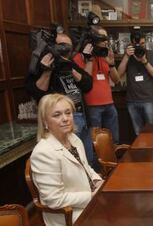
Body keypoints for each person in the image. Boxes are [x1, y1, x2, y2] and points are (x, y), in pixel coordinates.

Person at [25, 32, 97, 168]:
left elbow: (88, 85)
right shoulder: (40, 65)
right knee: (71, 164)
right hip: (60, 120)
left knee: (87, 161)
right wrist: (47, 71)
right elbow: (36, 92)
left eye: (67, 47)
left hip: (82, 116)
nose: (64, 50)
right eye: (60, 46)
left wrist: (71, 69)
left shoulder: (70, 63)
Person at [30, 93, 103, 226]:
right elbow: (54, 199)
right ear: (45, 122)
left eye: (68, 113)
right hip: (69, 214)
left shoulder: (73, 139)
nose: (65, 119)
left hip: (89, 199)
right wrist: (91, 196)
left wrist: (97, 181)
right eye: (57, 115)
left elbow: (86, 168)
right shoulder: (43, 152)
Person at [73, 25, 121, 144]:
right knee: (95, 143)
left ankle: (114, 162)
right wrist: (89, 59)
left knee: (114, 140)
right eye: (101, 39)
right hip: (92, 106)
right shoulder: (80, 57)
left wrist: (111, 64)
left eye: (106, 39)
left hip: (109, 104)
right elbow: (85, 81)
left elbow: (117, 80)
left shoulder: (105, 55)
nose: (105, 42)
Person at [117, 30, 153, 136]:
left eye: (142, 44)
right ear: (131, 43)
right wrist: (126, 56)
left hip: (148, 100)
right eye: (138, 44)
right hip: (132, 101)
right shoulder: (128, 56)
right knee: (138, 133)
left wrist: (144, 61)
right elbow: (118, 75)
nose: (141, 47)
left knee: (152, 132)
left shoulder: (151, 54)